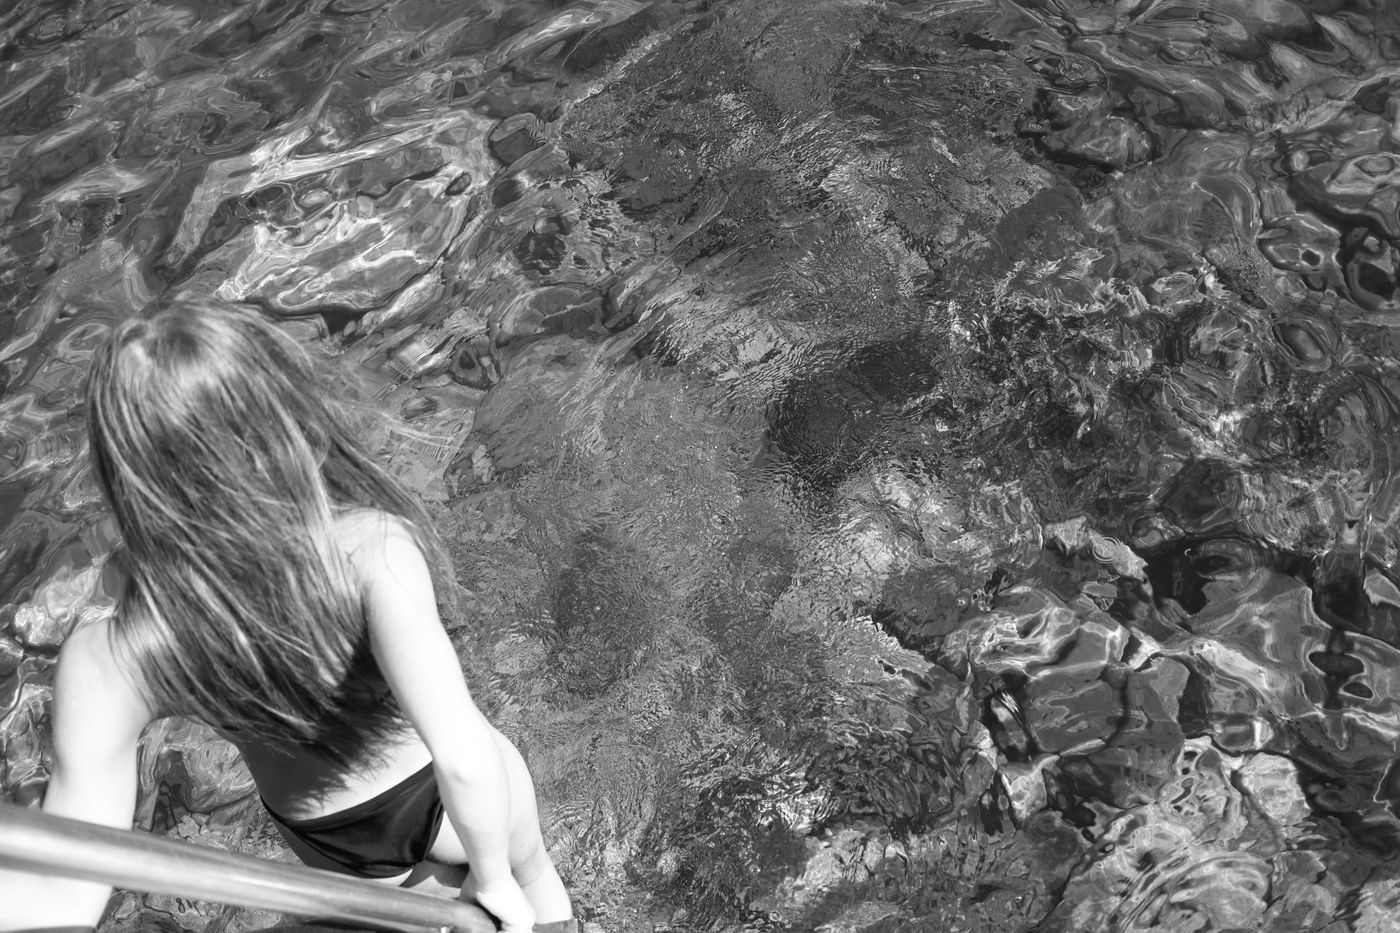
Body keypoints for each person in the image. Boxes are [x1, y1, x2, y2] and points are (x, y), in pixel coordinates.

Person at [0, 298, 574, 932]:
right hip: (452, 796)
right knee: (533, 880)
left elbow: (62, 900)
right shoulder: (366, 549)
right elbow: (463, 759)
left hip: (335, 839)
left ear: (123, 477)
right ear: (276, 419)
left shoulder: (113, 656)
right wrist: (493, 879)